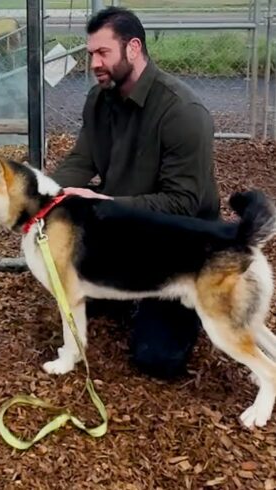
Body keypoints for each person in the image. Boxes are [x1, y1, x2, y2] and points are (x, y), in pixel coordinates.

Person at [50, 7, 220, 379]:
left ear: (133, 48)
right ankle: (130, 296)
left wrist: (106, 204)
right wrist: (41, 196)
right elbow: (82, 160)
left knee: (156, 359)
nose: (93, 63)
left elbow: (183, 203)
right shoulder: (99, 99)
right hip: (123, 230)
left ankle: (184, 305)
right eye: (90, 53)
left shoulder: (182, 112)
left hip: (182, 248)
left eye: (102, 53)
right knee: (68, 294)